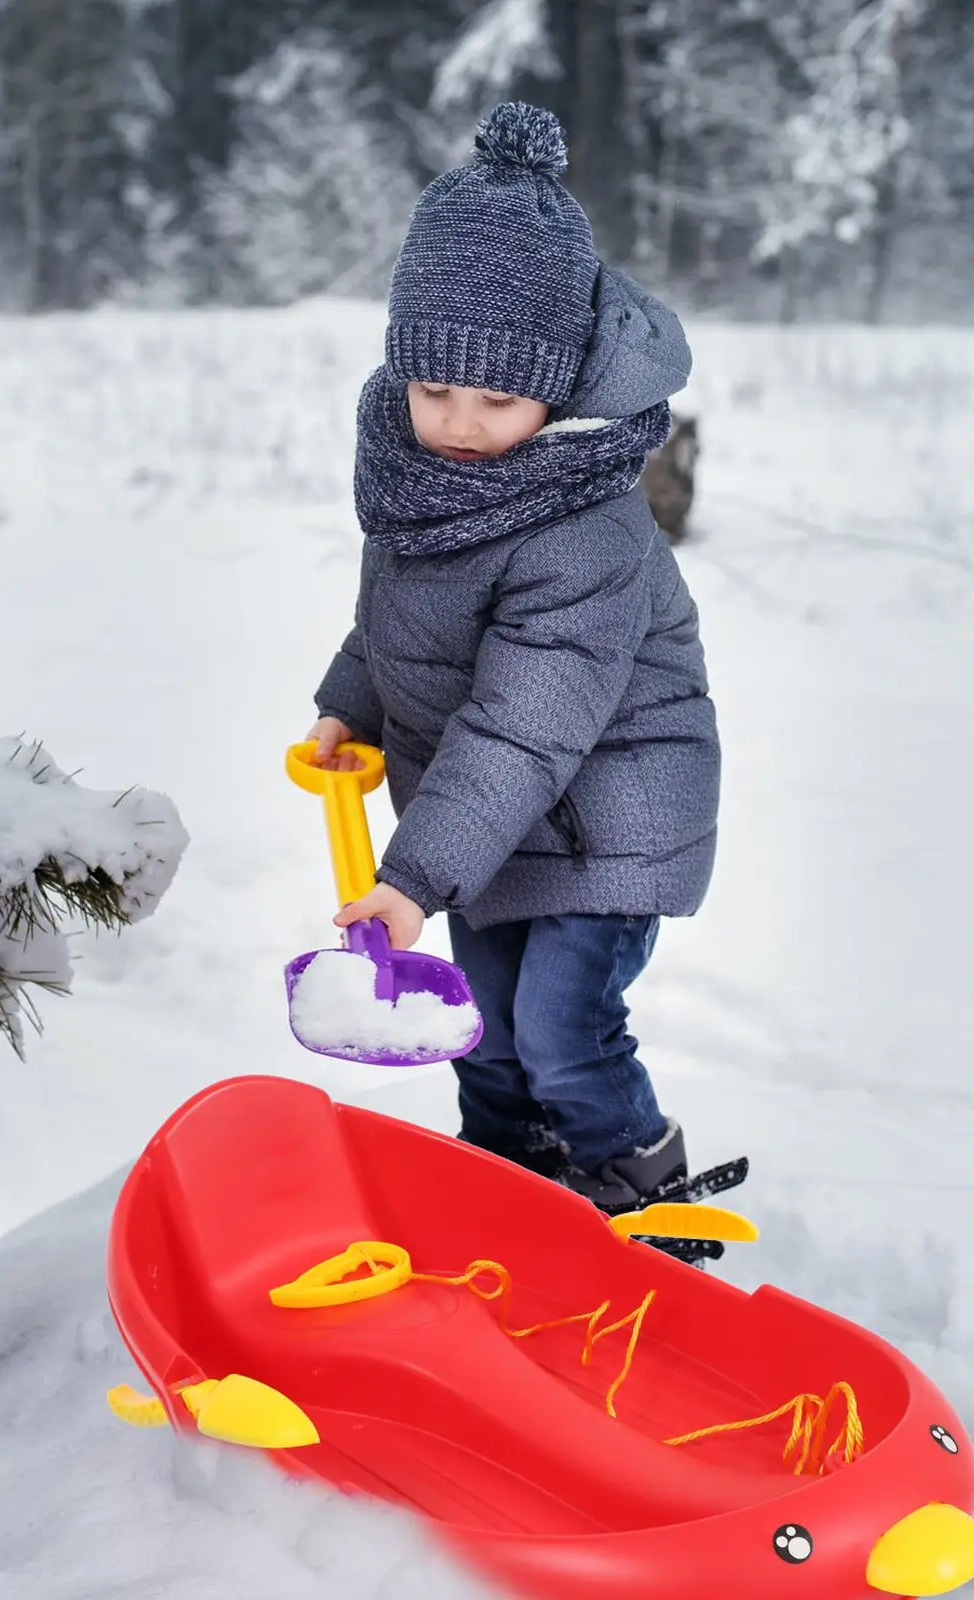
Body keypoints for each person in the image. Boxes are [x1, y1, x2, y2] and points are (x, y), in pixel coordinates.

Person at [306, 102, 720, 1217]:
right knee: (482, 1031)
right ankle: (509, 1189)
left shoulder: (580, 524)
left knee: (560, 1026)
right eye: (435, 388)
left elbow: (524, 721)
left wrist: (410, 879)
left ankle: (640, 1193)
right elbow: (398, 613)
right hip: (491, 812)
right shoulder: (419, 477)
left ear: (563, 380)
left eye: (498, 397)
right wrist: (352, 705)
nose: (459, 422)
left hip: (604, 808)